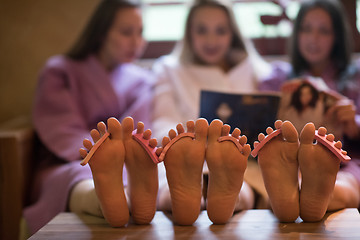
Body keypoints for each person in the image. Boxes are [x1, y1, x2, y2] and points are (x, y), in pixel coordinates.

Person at [23, 0, 155, 234]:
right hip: (67, 162)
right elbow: (61, 127)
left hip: (126, 163)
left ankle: (125, 196)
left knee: (133, 169)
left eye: (141, 32)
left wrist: (124, 155)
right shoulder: (60, 71)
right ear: (101, 32)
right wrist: (99, 151)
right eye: (126, 32)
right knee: (82, 174)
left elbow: (136, 131)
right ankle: (110, 200)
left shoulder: (142, 81)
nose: (136, 43)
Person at [151, 0, 271, 218]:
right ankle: (188, 196)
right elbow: (162, 122)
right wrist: (192, 140)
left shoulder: (254, 70)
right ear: (189, 33)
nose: (211, 40)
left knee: (243, 183)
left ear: (232, 34)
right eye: (202, 30)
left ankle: (226, 196)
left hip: (240, 160)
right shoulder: (169, 69)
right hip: (185, 156)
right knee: (172, 183)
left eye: (220, 31)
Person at [259, 0, 360, 213]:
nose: (313, 38)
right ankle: (296, 192)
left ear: (337, 37)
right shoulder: (276, 78)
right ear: (296, 34)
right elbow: (257, 122)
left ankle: (317, 194)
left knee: (348, 180)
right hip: (287, 161)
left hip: (343, 160)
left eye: (323, 31)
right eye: (306, 29)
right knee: (278, 175)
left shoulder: (355, 79)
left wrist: (354, 124)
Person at [82, 117, 251, 225]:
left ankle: (124, 202)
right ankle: (233, 202)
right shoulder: (258, 72)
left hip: (176, 154)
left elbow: (162, 119)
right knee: (246, 184)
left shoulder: (163, 73)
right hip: (215, 152)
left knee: (81, 186)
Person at [253, 119, 352, 222]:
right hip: (329, 162)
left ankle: (288, 200)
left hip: (320, 162)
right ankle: (329, 196)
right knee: (348, 181)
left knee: (280, 186)